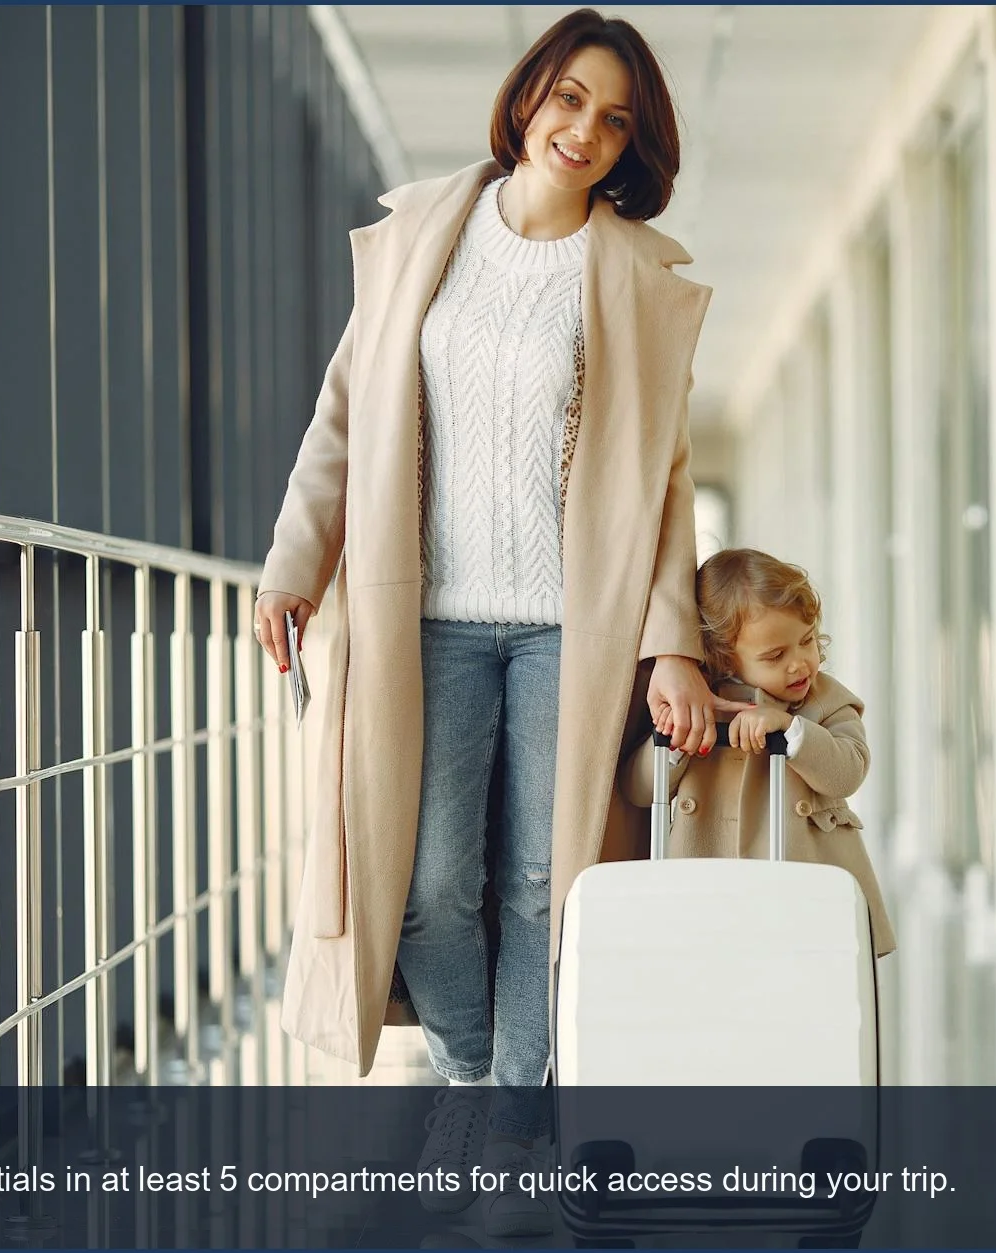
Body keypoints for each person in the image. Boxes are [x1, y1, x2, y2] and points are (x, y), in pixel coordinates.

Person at [251, 7, 748, 1239]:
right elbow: (344, 419)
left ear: (632, 144)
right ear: (529, 96)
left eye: (614, 118)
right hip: (416, 619)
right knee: (420, 881)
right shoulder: (423, 230)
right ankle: (471, 1083)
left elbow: (664, 480)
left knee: (543, 882)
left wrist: (669, 640)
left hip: (564, 632)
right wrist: (289, 562)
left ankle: (514, 1132)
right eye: (569, 98)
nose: (585, 129)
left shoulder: (632, 277)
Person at [622, 549, 897, 957]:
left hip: (806, 897)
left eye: (806, 641)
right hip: (708, 894)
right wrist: (678, 742)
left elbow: (848, 772)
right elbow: (639, 791)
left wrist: (790, 728)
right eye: (774, 656)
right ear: (722, 656)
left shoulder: (828, 703)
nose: (800, 664)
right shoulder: (702, 705)